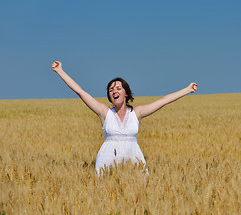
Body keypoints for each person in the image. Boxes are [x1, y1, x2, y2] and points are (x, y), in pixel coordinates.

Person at [51, 61, 197, 175]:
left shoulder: (137, 113)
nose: (114, 90)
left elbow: (164, 100)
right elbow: (81, 92)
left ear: (126, 93)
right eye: (111, 89)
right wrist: (60, 71)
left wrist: (187, 89)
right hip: (107, 162)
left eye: (118, 88)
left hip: (134, 162)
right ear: (109, 96)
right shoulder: (104, 112)